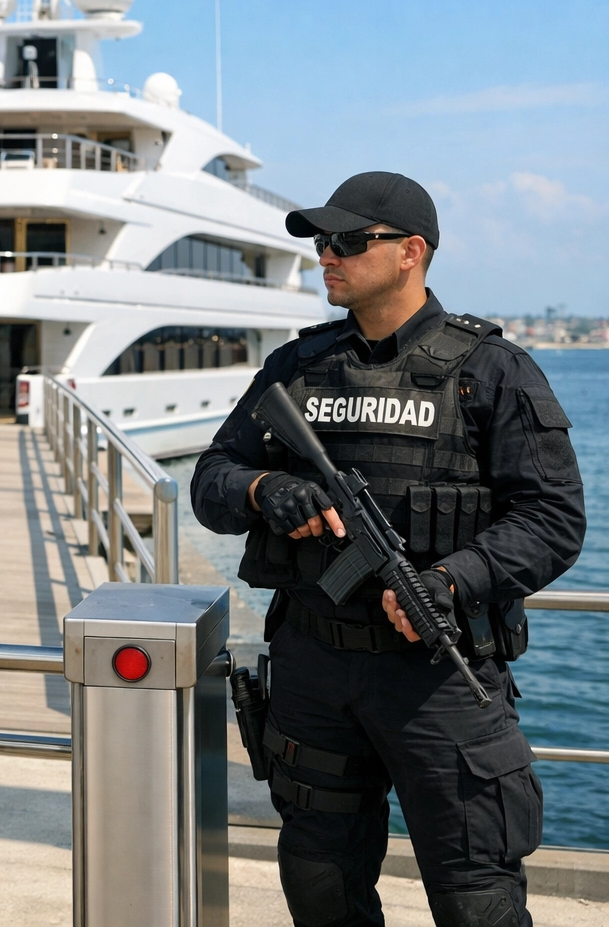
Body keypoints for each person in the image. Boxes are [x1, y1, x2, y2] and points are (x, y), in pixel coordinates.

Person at [191, 172, 584, 927]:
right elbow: (214, 476)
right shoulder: (298, 369)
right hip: (314, 668)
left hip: (438, 679)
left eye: (346, 242)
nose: (325, 257)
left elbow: (552, 519)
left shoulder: (491, 371)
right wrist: (263, 490)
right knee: (319, 887)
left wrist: (454, 579)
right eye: (320, 243)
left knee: (478, 900)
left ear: (410, 252)